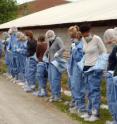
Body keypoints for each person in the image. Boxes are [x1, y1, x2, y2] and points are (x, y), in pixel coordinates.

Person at [80, 24, 107, 122]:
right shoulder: (83, 40)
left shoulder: (97, 39)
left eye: (85, 33)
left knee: (94, 91)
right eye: (82, 34)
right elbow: (85, 53)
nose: (84, 35)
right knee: (88, 91)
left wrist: (100, 67)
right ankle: (89, 111)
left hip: (95, 69)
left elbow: (104, 53)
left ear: (89, 31)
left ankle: (95, 113)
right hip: (86, 69)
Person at [67, 26, 86, 118]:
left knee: (78, 88)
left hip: (78, 68)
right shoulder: (75, 43)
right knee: (74, 86)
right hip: (73, 68)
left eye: (72, 37)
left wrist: (74, 49)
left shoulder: (80, 44)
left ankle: (81, 108)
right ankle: (76, 105)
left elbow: (78, 58)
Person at [44, 30, 65, 102]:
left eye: (50, 37)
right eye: (48, 38)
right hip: (50, 62)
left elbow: (63, 48)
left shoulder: (58, 39)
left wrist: (58, 53)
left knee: (55, 79)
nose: (49, 39)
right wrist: (45, 55)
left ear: (53, 35)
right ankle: (53, 95)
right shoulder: (49, 41)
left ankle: (57, 96)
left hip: (56, 62)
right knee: (50, 79)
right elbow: (48, 49)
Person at [104, 28, 117, 124]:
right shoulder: (115, 47)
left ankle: (115, 119)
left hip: (113, 75)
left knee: (113, 98)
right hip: (112, 74)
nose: (111, 41)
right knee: (112, 98)